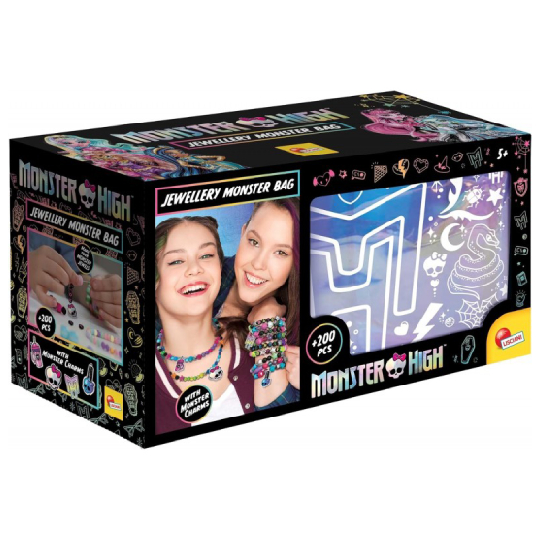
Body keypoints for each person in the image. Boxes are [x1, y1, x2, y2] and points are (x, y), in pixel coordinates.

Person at [154, 216, 296, 434]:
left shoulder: (258, 346)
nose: (195, 269)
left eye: (206, 256)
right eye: (176, 261)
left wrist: (267, 326)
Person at [214, 199, 301, 404]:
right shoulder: (204, 274)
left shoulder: (298, 328)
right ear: (243, 233)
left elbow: (275, 413)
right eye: (254, 242)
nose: (258, 264)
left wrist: (267, 324)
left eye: (280, 252)